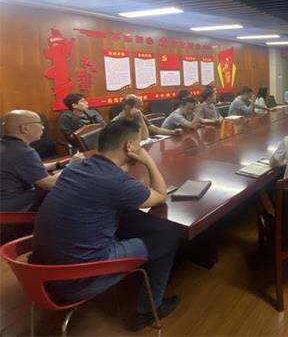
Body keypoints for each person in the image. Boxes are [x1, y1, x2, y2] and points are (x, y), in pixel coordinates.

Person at [31, 119, 182, 330]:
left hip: (40, 273)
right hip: (75, 281)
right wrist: (148, 161)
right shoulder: (116, 182)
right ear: (129, 146)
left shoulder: (76, 167)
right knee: (170, 234)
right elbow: (160, 196)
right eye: (139, 143)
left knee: (130, 219)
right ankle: (149, 311)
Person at [0, 110, 65, 211]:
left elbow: (28, 168)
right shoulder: (23, 152)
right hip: (11, 209)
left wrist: (58, 164)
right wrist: (70, 168)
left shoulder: (6, 146)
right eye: (40, 123)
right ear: (24, 128)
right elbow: (49, 184)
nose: (43, 127)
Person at [112, 95, 183, 139]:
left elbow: (156, 129)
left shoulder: (138, 114)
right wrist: (140, 118)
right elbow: (144, 137)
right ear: (127, 107)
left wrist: (173, 132)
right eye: (139, 107)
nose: (141, 110)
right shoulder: (117, 122)